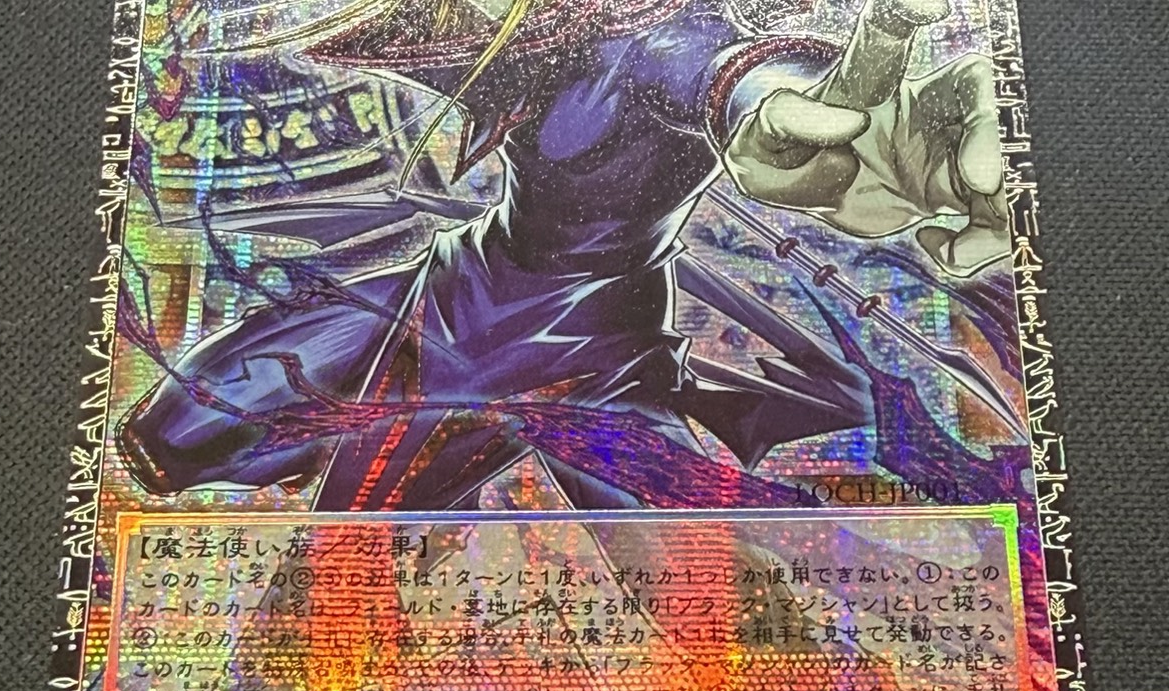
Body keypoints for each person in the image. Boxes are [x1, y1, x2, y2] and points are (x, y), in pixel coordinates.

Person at [119, 0, 1009, 511]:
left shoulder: (665, 39)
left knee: (698, 588)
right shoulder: (514, 25)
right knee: (174, 434)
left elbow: (738, 77)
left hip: (587, 352)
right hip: (450, 289)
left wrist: (836, 113)